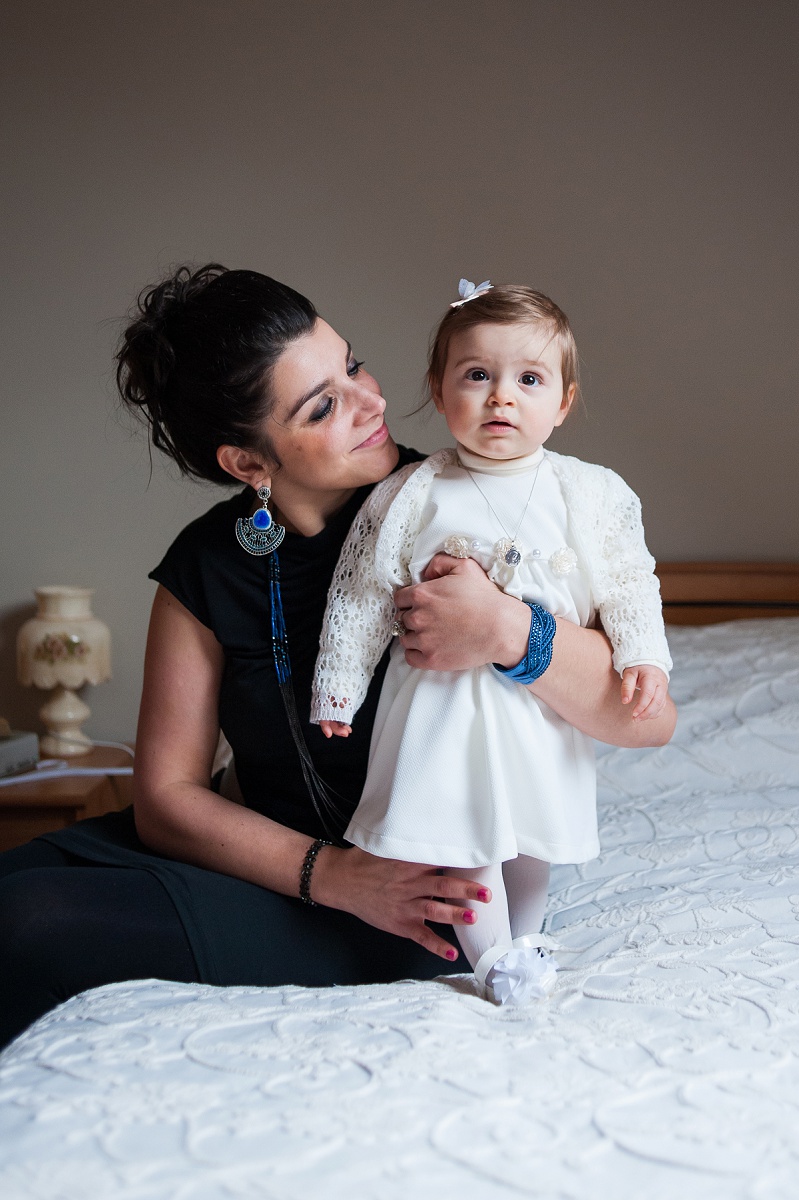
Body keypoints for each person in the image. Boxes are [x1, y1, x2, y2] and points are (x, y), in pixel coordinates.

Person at [0, 265, 676, 1049]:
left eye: (351, 365)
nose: (372, 401)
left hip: (423, 887)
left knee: (29, 922)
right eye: (323, 405)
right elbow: (167, 797)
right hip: (266, 859)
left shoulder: (461, 504)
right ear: (248, 464)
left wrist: (511, 632)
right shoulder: (206, 567)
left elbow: (649, 720)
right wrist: (328, 873)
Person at [312, 280, 673, 1005]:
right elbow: (360, 594)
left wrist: (643, 657)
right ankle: (491, 960)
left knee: (530, 829)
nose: (500, 397)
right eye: (477, 375)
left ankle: (529, 934)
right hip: (443, 700)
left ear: (562, 403)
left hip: (538, 703)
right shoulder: (413, 491)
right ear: (440, 393)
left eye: (528, 380)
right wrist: (338, 684)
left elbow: (629, 583)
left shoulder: (592, 492)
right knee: (466, 828)